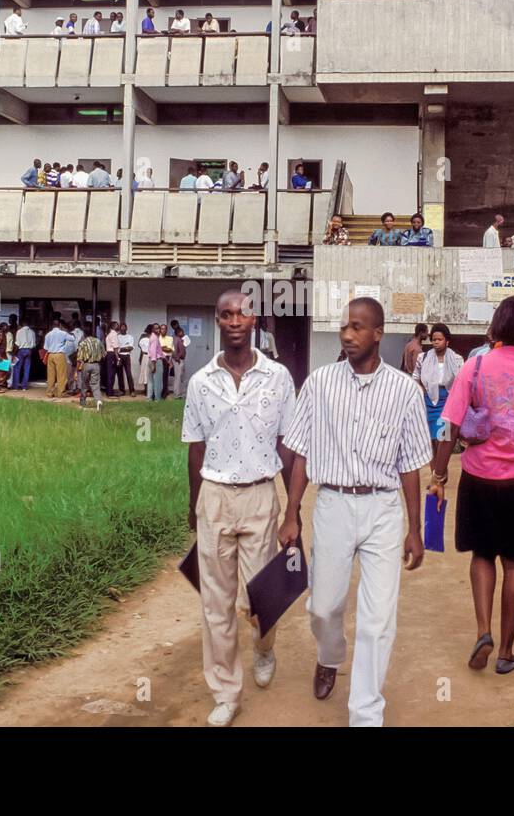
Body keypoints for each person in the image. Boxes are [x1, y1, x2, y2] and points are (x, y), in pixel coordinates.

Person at [278, 297, 431, 726]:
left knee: (378, 619)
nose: (347, 334)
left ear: (378, 333)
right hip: (333, 504)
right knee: (322, 608)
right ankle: (329, 654)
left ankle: (365, 713)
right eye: (344, 326)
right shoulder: (320, 383)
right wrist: (291, 513)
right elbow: (301, 452)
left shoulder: (404, 391)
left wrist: (414, 529)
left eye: (358, 327)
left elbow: (410, 464)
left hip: (383, 508)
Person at [429, 295, 514, 676]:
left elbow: (449, 424)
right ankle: (505, 651)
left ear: (497, 327)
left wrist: (438, 476)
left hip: (482, 478)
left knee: (483, 555)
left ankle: (483, 632)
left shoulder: (476, 366)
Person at [182, 289, 297, 727]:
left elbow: (287, 445)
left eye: (242, 313)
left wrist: (292, 510)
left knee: (262, 595)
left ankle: (264, 647)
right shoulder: (200, 381)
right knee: (215, 602)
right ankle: (226, 692)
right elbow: (195, 448)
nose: (234, 320)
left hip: (260, 496)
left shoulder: (278, 377)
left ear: (254, 320)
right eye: (226, 314)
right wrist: (195, 507)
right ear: (217, 320)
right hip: (214, 495)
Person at [414, 323, 463, 458]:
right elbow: (415, 378)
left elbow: (462, 380)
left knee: (443, 438)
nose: (436, 342)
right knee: (431, 441)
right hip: (428, 401)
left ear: (447, 341)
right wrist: (422, 391)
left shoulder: (457, 359)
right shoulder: (423, 358)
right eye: (434, 339)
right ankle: (434, 472)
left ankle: (441, 472)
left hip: (447, 401)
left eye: (439, 339)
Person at [75, 329, 105, 409]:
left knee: (84, 384)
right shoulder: (98, 342)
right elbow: (104, 354)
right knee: (95, 385)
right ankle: (98, 401)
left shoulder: (83, 343)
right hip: (96, 365)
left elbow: (79, 359)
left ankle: (83, 402)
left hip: (86, 364)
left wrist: (76, 370)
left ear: (84, 334)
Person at [43, 319, 71, 399]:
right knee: (61, 375)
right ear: (60, 325)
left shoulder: (48, 334)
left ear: (52, 325)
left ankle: (50, 393)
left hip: (51, 355)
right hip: (60, 354)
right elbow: (72, 338)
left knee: (51, 375)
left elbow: (45, 347)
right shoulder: (63, 333)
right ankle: (61, 392)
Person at [12, 319, 36, 390]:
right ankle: (24, 387)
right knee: (27, 369)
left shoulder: (19, 331)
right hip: (29, 350)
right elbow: (34, 344)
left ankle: (15, 387)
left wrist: (14, 353)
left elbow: (17, 344)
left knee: (17, 368)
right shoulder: (32, 332)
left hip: (21, 350)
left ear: (22, 324)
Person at [147, 324, 166, 401]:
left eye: (158, 328)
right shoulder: (155, 338)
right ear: (152, 330)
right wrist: (154, 364)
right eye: (156, 329)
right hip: (156, 361)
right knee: (158, 381)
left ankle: (149, 398)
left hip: (151, 360)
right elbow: (153, 351)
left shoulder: (152, 337)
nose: (158, 330)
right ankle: (157, 399)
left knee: (151, 381)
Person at [105, 322, 124, 396]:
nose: (118, 326)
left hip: (110, 355)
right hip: (113, 354)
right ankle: (110, 392)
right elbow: (115, 347)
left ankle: (109, 391)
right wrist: (118, 358)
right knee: (112, 374)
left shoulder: (109, 334)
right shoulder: (114, 334)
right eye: (116, 325)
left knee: (110, 373)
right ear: (113, 326)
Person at [171, 319, 189, 398]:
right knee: (178, 378)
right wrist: (177, 358)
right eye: (182, 332)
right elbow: (173, 351)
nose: (183, 333)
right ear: (178, 333)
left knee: (181, 377)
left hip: (181, 360)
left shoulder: (181, 340)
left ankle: (181, 393)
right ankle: (177, 394)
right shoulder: (176, 340)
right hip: (178, 360)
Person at [116, 322, 135, 395]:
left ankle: (132, 391)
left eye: (124, 327)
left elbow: (130, 348)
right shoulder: (117, 337)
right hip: (119, 356)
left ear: (126, 328)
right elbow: (117, 348)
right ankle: (122, 391)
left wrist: (121, 348)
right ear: (120, 328)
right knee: (120, 374)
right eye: (121, 327)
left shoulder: (130, 337)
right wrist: (125, 347)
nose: (123, 328)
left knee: (129, 373)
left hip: (127, 356)